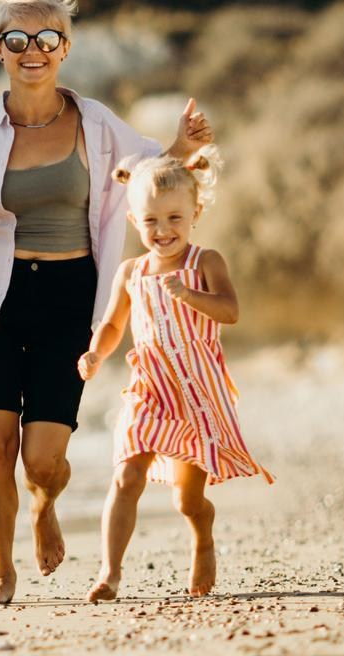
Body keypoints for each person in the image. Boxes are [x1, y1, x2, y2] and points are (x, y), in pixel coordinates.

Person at [0, 0, 215, 607]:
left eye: (47, 37)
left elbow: (148, 177)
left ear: (65, 47)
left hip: (71, 298)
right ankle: (1, 575)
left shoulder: (96, 122)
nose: (34, 49)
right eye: (18, 37)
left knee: (41, 461)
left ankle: (45, 502)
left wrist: (183, 151)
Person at [78, 149, 271, 600]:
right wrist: (95, 354)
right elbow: (111, 325)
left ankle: (202, 535)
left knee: (187, 499)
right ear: (132, 220)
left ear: (195, 213)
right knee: (127, 475)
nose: (162, 231)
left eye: (173, 218)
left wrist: (187, 294)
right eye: (150, 221)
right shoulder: (131, 271)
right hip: (148, 386)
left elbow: (231, 311)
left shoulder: (206, 262)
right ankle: (109, 573)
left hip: (196, 392)